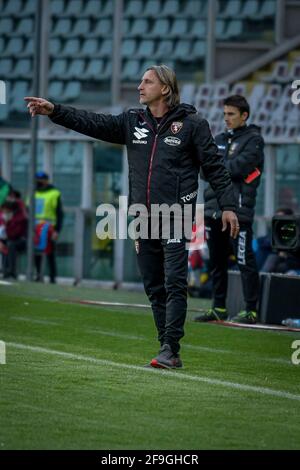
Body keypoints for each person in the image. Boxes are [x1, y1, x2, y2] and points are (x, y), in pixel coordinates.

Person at [25, 64, 239, 369]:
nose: (140, 86)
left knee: (175, 282)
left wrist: (229, 205)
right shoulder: (132, 121)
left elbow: (215, 167)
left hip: (176, 214)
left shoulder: (192, 123)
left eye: (147, 81)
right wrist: (55, 111)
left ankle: (170, 347)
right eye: (141, 81)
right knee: (154, 285)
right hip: (142, 216)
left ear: (165, 88)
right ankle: (166, 347)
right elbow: (93, 122)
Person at [194, 95, 264, 325]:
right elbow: (204, 169)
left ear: (244, 115)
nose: (227, 118)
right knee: (216, 262)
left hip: (239, 211)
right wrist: (215, 167)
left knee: (244, 260)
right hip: (214, 210)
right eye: (224, 114)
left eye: (231, 114)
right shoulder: (220, 138)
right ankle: (219, 307)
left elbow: (237, 168)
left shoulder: (254, 140)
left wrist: (216, 167)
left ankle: (251, 310)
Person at [33, 171, 64, 283]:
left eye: (41, 180)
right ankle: (38, 274)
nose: (38, 182)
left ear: (46, 181)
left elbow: (59, 213)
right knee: (35, 252)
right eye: (37, 180)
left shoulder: (54, 193)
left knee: (49, 252)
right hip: (34, 228)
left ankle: (52, 277)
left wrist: (57, 230)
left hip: (48, 228)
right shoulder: (33, 192)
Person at [0, 197, 27, 279]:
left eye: (7, 211)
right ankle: (5, 271)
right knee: (5, 244)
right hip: (9, 239)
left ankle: (11, 272)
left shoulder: (21, 218)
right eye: (3, 211)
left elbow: (14, 234)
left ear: (12, 211)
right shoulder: (4, 217)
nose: (4, 213)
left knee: (10, 245)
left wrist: (7, 224)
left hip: (22, 241)